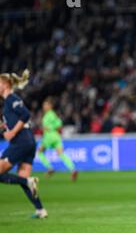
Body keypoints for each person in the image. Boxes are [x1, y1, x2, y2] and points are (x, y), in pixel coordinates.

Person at [0, 69, 48, 219]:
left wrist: (12, 132)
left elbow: (26, 114)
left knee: (20, 178)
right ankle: (41, 210)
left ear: (6, 84)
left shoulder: (11, 99)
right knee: (22, 176)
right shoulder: (7, 103)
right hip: (28, 141)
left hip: (21, 141)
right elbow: (14, 121)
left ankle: (28, 181)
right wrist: (4, 128)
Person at [37, 98, 78, 181]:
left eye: (46, 105)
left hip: (48, 136)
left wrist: (48, 128)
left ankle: (49, 168)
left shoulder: (48, 115)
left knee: (40, 152)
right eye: (44, 105)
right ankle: (73, 169)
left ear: (50, 106)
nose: (44, 106)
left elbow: (54, 126)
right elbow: (59, 124)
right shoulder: (54, 114)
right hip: (56, 136)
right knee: (61, 154)